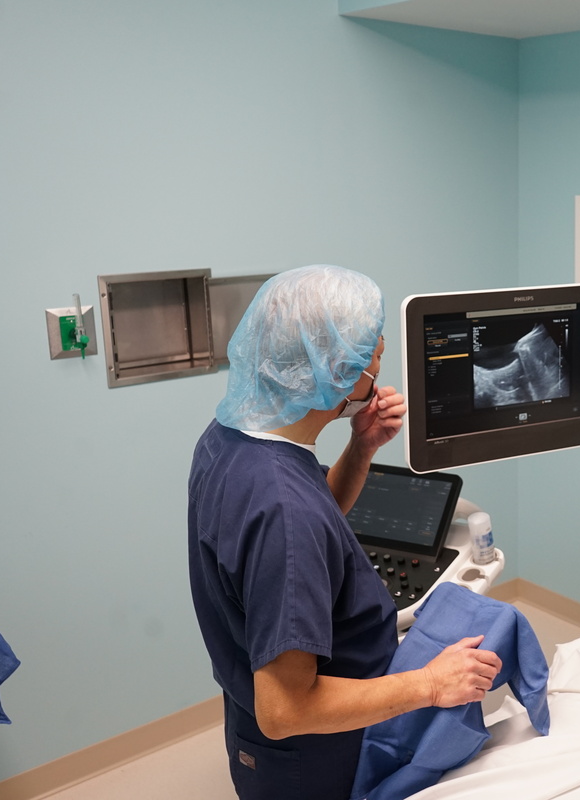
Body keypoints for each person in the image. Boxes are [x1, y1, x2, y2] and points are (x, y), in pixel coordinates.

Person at [187, 265, 501, 800]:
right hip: (313, 755)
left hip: (256, 736)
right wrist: (431, 684)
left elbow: (308, 522)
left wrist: (362, 447)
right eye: (373, 357)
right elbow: (287, 711)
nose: (378, 366)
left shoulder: (229, 438)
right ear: (337, 375)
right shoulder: (282, 505)